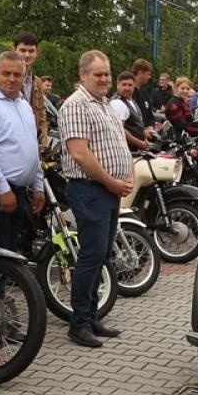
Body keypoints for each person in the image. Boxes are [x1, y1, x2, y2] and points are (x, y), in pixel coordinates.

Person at [57, 50, 132, 349]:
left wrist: (124, 176)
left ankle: (91, 316)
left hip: (108, 191)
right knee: (90, 256)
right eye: (98, 74)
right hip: (90, 190)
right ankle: (79, 324)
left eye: (107, 73)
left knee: (101, 255)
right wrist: (111, 181)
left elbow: (116, 144)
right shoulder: (76, 105)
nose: (104, 79)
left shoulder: (104, 104)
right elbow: (79, 153)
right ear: (83, 74)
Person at [0, 51, 45, 250]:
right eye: (6, 73)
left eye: (17, 74)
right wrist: (3, 190)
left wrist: (38, 185)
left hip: (20, 193)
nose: (12, 79)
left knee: (9, 250)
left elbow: (33, 146)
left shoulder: (23, 105)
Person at [110, 71, 152, 151]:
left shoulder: (131, 100)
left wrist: (144, 137)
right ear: (117, 85)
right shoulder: (117, 103)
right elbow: (119, 131)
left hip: (136, 149)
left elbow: (136, 125)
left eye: (130, 85)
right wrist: (139, 143)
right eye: (124, 84)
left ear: (134, 86)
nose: (127, 88)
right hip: (126, 151)